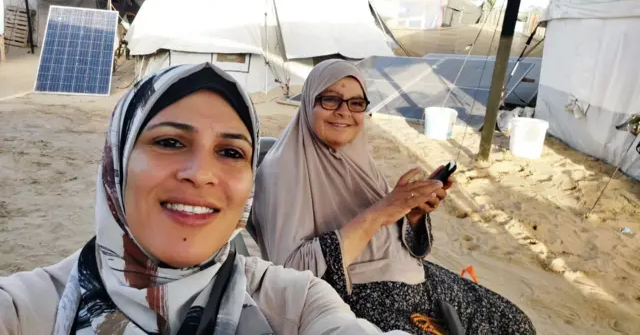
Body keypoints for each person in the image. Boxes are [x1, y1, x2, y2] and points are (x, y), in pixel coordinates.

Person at [0, 63, 412, 335]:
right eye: (169, 141)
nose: (200, 173)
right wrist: (381, 211)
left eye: (231, 152)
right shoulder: (29, 309)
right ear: (117, 162)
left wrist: (409, 215)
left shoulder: (295, 302)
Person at [250, 59, 536, 335]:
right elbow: (289, 277)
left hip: (415, 277)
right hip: (361, 294)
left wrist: (412, 214)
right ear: (309, 101)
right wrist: (381, 211)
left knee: (515, 323)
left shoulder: (355, 156)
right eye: (330, 100)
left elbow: (390, 239)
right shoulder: (282, 172)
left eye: (356, 103)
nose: (343, 111)